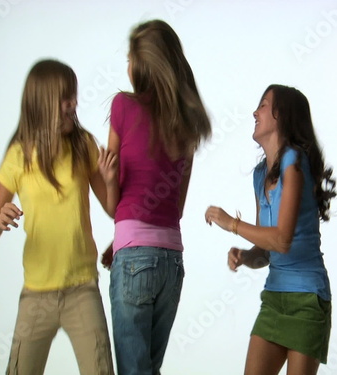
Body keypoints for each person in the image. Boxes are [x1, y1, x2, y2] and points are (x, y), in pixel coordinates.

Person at [0, 59, 117, 375]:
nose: (74, 104)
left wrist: (109, 179)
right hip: (36, 297)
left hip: (82, 289)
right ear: (44, 103)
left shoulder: (83, 145)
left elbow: (112, 209)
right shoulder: (19, 155)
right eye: (66, 97)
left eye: (74, 95)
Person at [102, 19, 211, 375]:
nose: (128, 66)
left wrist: (123, 236)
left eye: (130, 58)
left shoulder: (122, 106)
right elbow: (173, 209)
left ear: (142, 64)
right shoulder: (187, 124)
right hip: (171, 261)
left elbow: (114, 203)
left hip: (134, 259)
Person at [205, 84, 336, 375]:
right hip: (274, 299)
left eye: (263, 105)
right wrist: (246, 257)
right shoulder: (260, 175)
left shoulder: (294, 162)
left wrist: (233, 224)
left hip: (307, 299)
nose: (255, 111)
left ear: (283, 116)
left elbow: (282, 239)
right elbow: (267, 250)